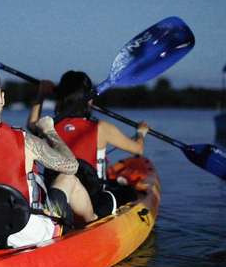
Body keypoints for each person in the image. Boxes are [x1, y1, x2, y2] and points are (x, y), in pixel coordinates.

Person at [0, 66, 97, 248]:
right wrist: (50, 131)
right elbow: (71, 166)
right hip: (31, 235)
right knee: (67, 179)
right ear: (2, 99)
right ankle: (94, 225)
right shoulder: (26, 142)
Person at [27, 71, 150, 211]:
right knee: (128, 191)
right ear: (89, 98)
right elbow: (138, 149)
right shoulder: (101, 128)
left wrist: (41, 94)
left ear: (58, 97)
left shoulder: (49, 126)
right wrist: (141, 132)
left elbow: (32, 125)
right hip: (94, 198)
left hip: (59, 194)